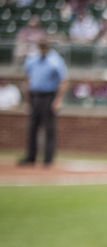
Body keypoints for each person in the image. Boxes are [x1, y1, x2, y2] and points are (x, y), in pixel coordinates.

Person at [19, 38, 67, 166]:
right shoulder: (32, 59)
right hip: (35, 96)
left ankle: (48, 158)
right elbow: (28, 78)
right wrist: (27, 99)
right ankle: (31, 157)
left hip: (48, 96)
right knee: (32, 127)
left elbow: (63, 81)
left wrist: (58, 99)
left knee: (49, 128)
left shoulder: (55, 60)